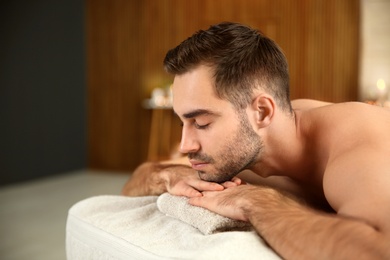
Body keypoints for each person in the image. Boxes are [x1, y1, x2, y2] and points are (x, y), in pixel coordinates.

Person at [122, 22, 390, 259]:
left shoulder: (358, 144)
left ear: (262, 112)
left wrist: (256, 202)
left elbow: (378, 250)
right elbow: (139, 178)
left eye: (202, 123)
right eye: (184, 123)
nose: (185, 145)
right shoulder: (249, 144)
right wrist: (167, 177)